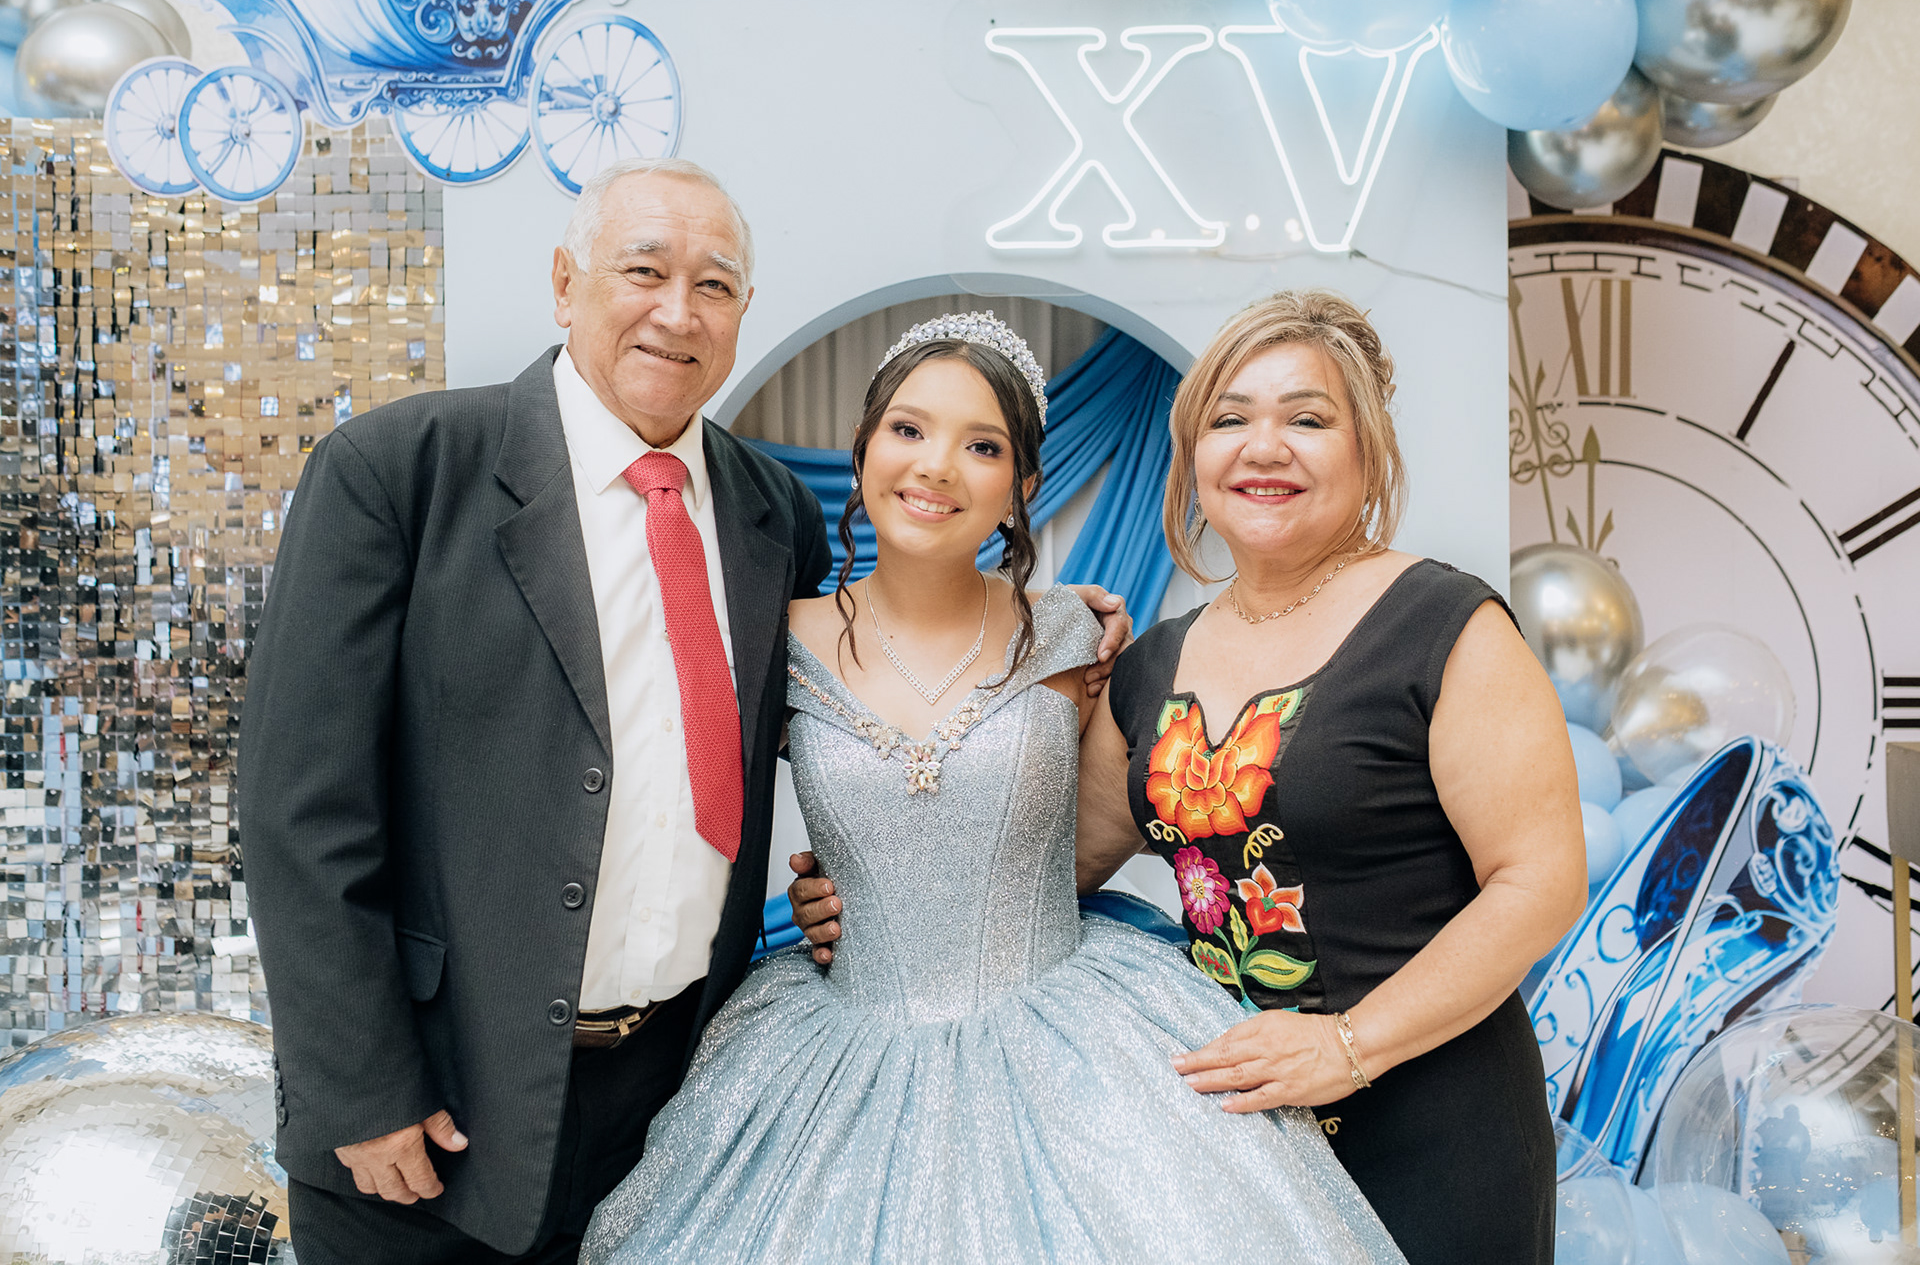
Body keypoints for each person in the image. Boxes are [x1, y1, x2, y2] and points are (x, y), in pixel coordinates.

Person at [238, 154, 1130, 1264]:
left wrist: (874, 887)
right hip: (433, 1103)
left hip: (674, 1099)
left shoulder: (771, 511)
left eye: (714, 285)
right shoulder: (400, 472)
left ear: (744, 312)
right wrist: (361, 1083)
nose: (678, 311)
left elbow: (882, 714)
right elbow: (299, 807)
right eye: (644, 271)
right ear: (564, 283)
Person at [580, 313, 1408, 1264]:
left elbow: (1126, 815)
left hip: (1074, 1040)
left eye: (982, 446)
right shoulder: (773, 640)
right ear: (863, 452)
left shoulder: (1073, 638)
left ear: (1022, 489)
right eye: (908, 429)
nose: (935, 466)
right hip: (836, 1050)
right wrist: (824, 891)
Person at [791, 289, 1587, 1263]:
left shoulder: (1445, 624)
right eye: (1230, 419)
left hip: (1433, 1117)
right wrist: (869, 889)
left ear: (1367, 450)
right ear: (1194, 455)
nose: (1264, 447)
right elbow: (1042, 867)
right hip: (1232, 1134)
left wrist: (1348, 1046)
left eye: (1307, 419)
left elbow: (1541, 882)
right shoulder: (1153, 664)